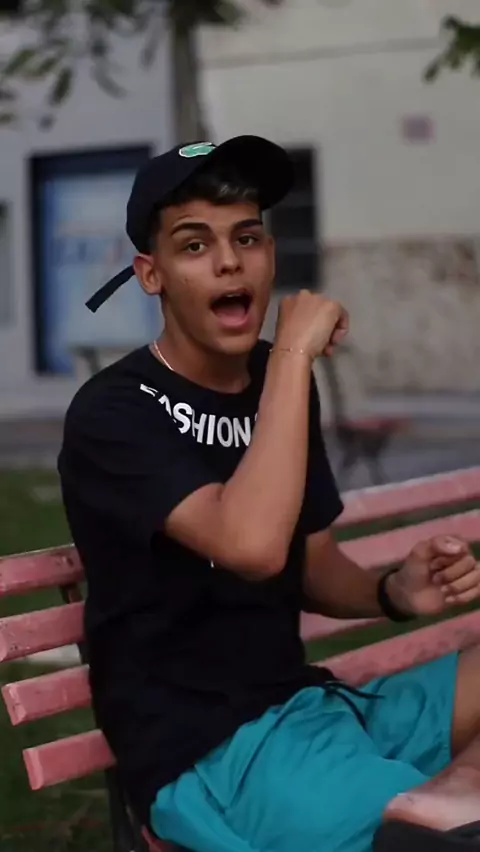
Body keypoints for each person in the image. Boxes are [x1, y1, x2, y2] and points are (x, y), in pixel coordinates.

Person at [58, 136, 480, 852]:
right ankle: (435, 811)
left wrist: (391, 592)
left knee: (437, 820)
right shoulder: (115, 412)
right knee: (432, 835)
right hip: (212, 755)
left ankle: (445, 798)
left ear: (270, 254)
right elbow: (251, 547)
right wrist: (291, 356)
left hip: (314, 710)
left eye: (247, 238)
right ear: (151, 274)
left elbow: (310, 561)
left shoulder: (276, 381)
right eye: (195, 245)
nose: (230, 261)